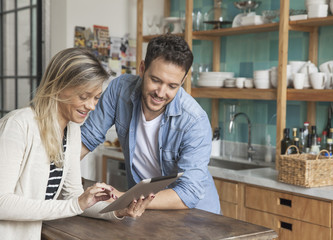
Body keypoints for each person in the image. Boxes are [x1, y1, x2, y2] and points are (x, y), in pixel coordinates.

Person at [0, 48, 153, 239]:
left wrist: (119, 209)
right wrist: (76, 204)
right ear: (58, 87)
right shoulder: (18, 125)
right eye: (84, 96)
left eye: (96, 98)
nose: (91, 106)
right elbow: (2, 203)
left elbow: (74, 196)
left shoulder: (72, 131)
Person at [81, 34, 221, 214]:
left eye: (172, 86)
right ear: (142, 68)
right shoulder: (120, 90)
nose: (161, 93)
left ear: (183, 81)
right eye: (155, 80)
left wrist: (124, 198)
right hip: (145, 211)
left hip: (195, 216)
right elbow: (86, 139)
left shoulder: (194, 121)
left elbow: (189, 193)